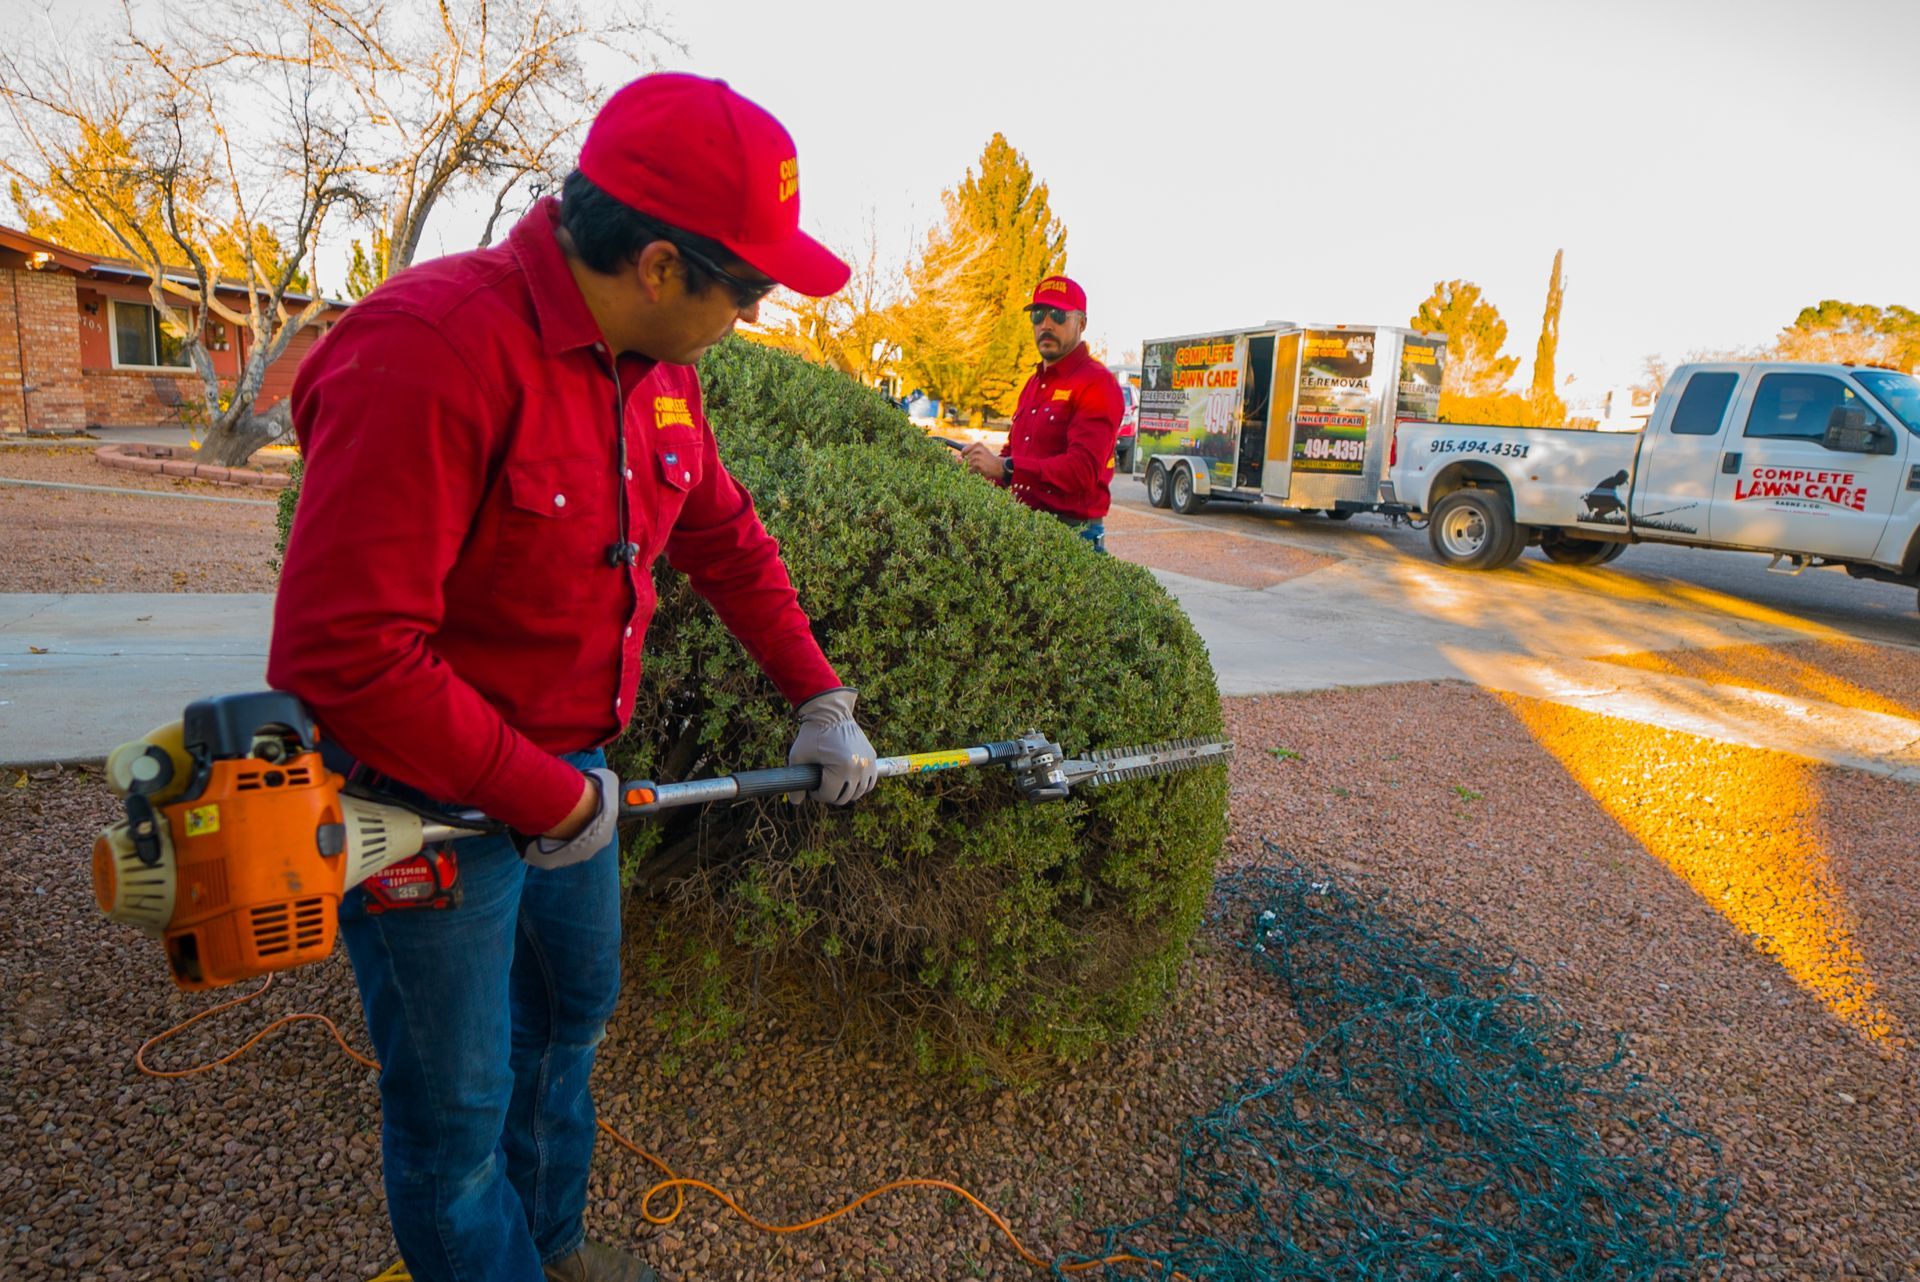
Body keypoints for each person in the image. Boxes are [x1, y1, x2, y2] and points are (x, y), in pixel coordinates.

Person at [267, 73, 879, 1282]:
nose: (750, 314)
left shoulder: (653, 372)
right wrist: (543, 800)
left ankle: (550, 1247)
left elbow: (725, 540)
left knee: (565, 1028)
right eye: (745, 288)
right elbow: (345, 655)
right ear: (660, 265)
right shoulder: (432, 350)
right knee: (455, 1114)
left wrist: (821, 697)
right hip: (423, 804)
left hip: (570, 783)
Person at [960, 275, 1126, 552]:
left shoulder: (1097, 384)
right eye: (1038, 315)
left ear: (1081, 323)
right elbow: (1015, 451)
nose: (1046, 325)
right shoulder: (1034, 383)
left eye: (1058, 315)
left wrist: (1005, 469)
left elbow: (1082, 470)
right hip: (1022, 527)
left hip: (1071, 538)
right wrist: (978, 468)